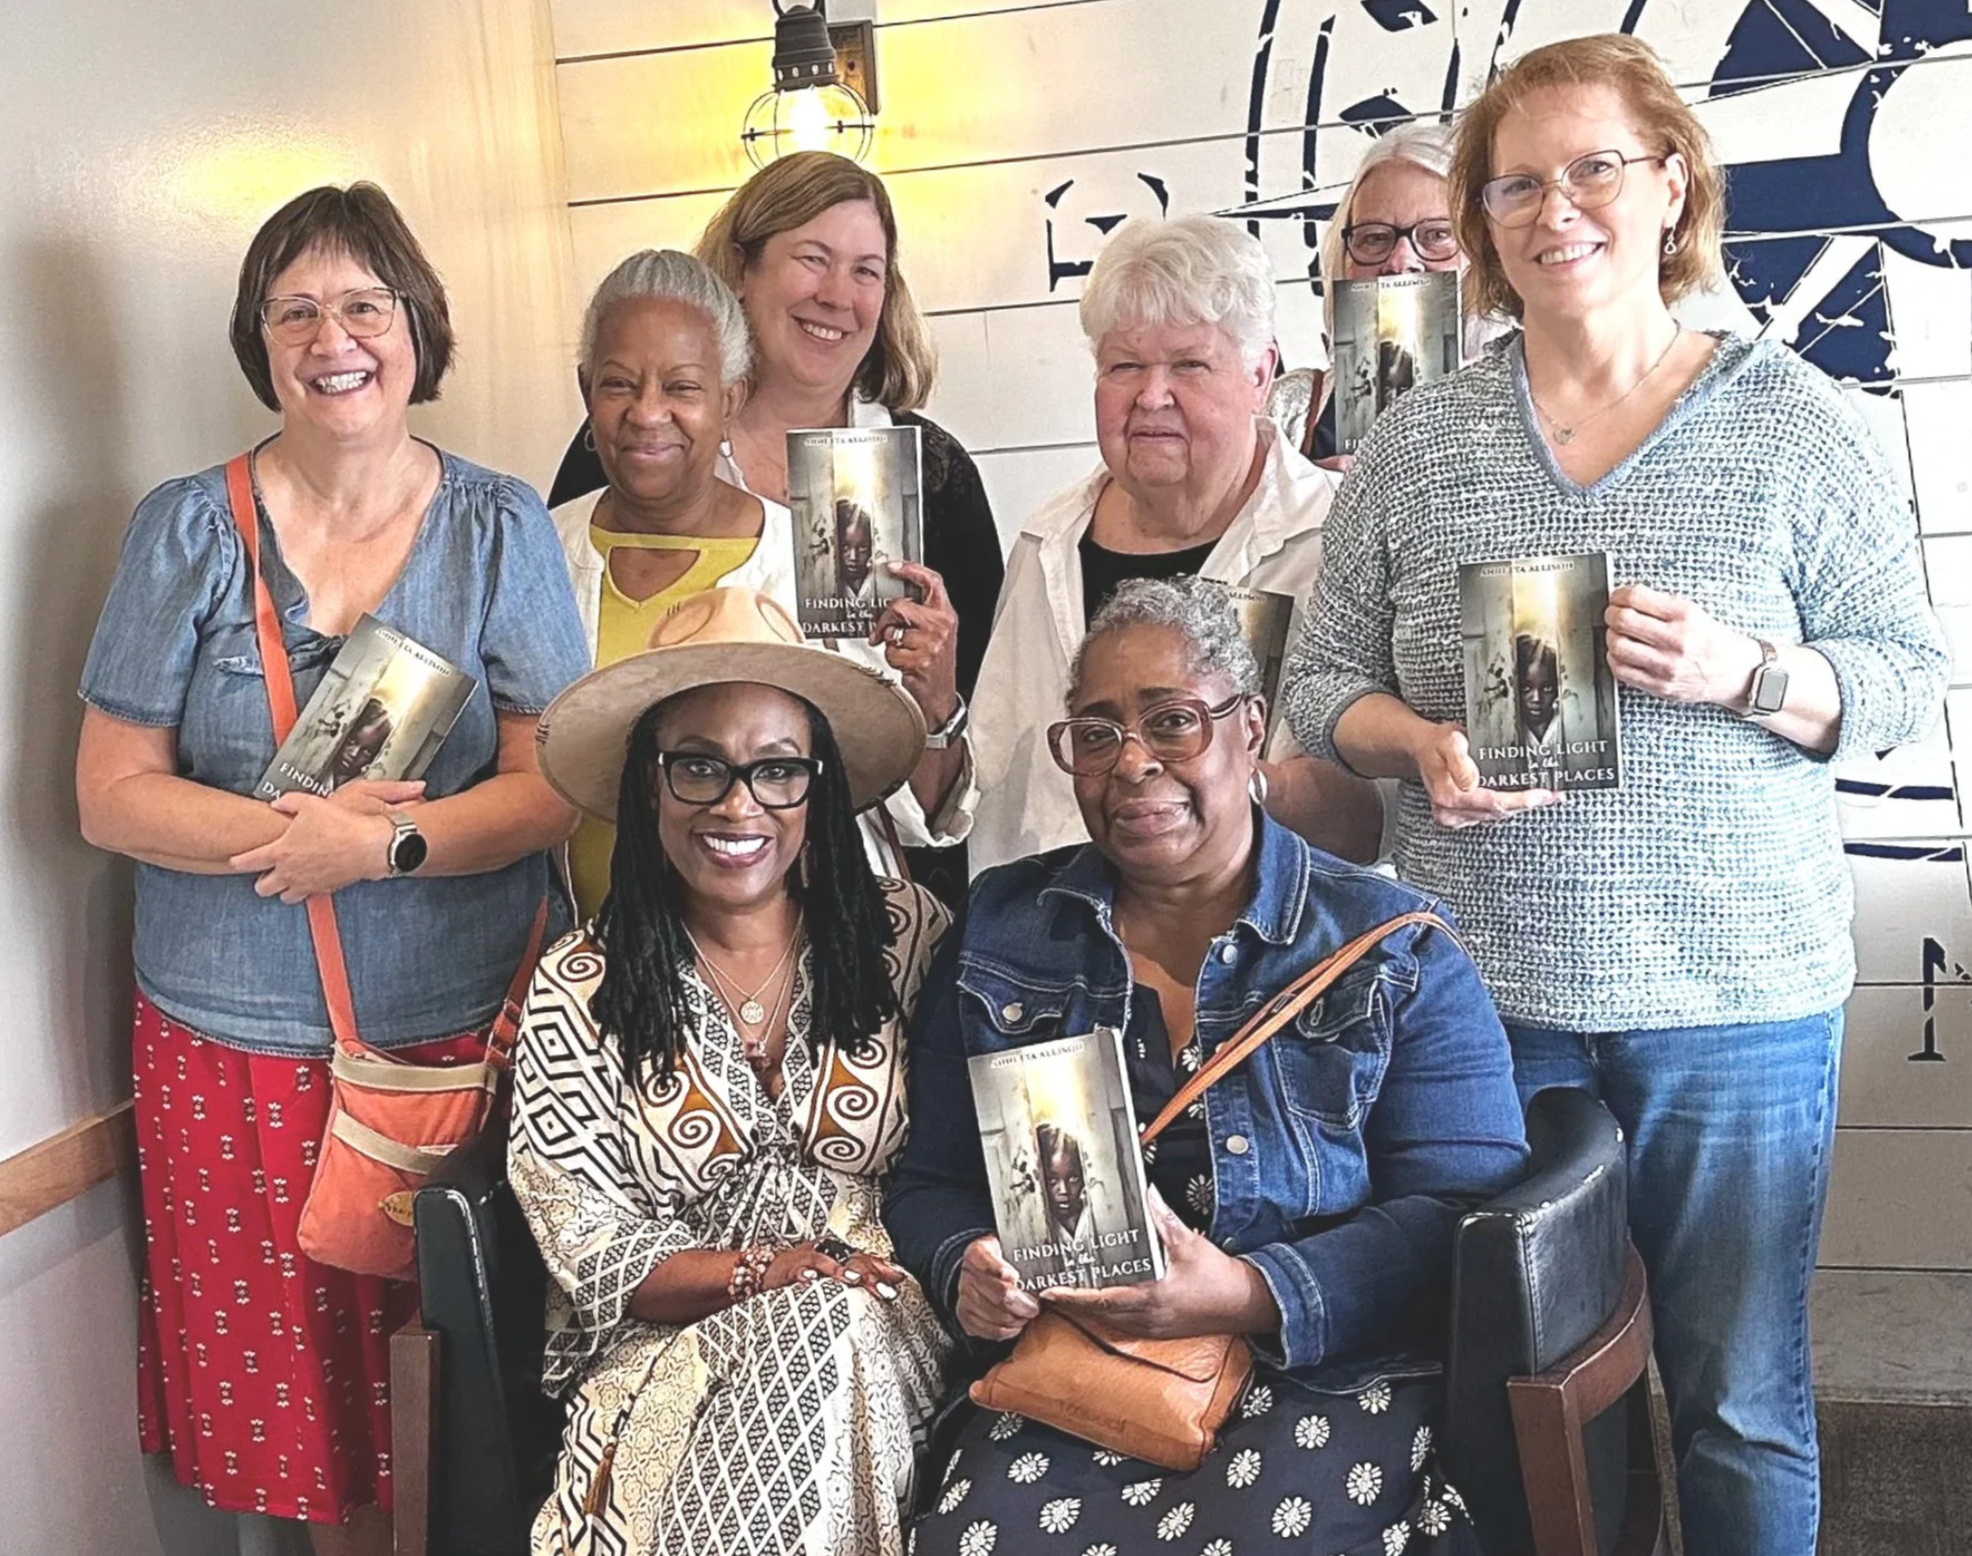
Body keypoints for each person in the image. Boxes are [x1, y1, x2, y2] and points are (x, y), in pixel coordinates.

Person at [1282, 35, 1948, 1556]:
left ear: (1668, 184)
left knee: (1738, 1397)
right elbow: (1314, 686)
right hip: (1478, 1001)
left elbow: (1902, 683)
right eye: (1514, 182)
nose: (1552, 206)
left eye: (1590, 166)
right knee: (1509, 1396)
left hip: (1729, 999)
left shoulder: (1789, 422)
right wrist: (1412, 742)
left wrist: (1745, 675)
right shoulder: (1417, 443)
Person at [74, 183, 589, 1556]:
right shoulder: (183, 528)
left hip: (463, 1046)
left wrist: (386, 844)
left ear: (418, 329)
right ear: (259, 343)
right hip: (228, 1047)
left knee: (469, 1408)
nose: (332, 334)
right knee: (292, 1430)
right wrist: (293, 840)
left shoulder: (498, 528)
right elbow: (107, 795)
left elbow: (556, 784)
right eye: (294, 308)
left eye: (365, 303)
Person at [890, 577, 1529, 1554]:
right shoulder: (1005, 928)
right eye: (1095, 733)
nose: (1131, 761)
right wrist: (965, 1264)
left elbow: (1459, 1214)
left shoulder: (1395, 945)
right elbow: (930, 1178)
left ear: (1250, 728)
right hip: (1080, 1371)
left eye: (1172, 721)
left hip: (1319, 1369)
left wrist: (1240, 1288)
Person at [510, 587, 951, 1556]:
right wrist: (767, 1272)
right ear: (648, 784)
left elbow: (968, 1159)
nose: (738, 804)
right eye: (699, 767)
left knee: (834, 1322)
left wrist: (823, 1283)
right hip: (667, 1355)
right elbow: (589, 1249)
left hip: (894, 1327)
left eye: (776, 769)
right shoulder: (578, 983)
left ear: (817, 784)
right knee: (813, 1324)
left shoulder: (902, 936)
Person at [549, 154, 1002, 901]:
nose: (837, 294)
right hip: (619, 911)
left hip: (841, 908)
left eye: (866, 271)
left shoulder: (931, 474)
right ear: (741, 270)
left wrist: (933, 702)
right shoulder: (631, 449)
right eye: (812, 259)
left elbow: (960, 756)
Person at [967, 214, 1382, 872]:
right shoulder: (1047, 539)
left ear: (1259, 375)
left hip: (1270, 953)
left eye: (1188, 365)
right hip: (1054, 942)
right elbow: (992, 777)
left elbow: (1379, 814)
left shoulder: (1337, 538)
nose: (1150, 396)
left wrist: (1236, 780)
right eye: (1124, 365)